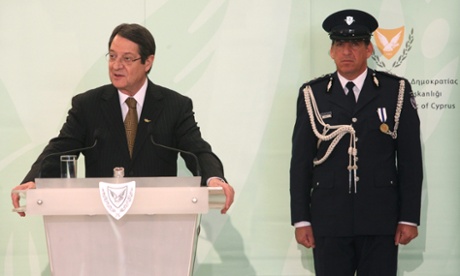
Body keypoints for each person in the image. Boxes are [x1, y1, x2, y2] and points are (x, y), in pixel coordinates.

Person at [11, 23, 234, 216]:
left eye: (127, 59)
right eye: (112, 56)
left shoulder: (174, 106)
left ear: (148, 62)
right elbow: (60, 149)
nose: (116, 65)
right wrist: (34, 180)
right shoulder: (88, 105)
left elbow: (197, 150)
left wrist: (214, 178)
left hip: (158, 222)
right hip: (100, 220)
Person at [290, 9, 423, 275]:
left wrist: (408, 217)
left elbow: (410, 160)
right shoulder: (313, 95)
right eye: (339, 44)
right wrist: (301, 219)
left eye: (354, 44)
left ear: (368, 49)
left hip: (380, 218)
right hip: (329, 219)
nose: (346, 51)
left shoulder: (395, 91)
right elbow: (301, 162)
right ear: (331, 51)